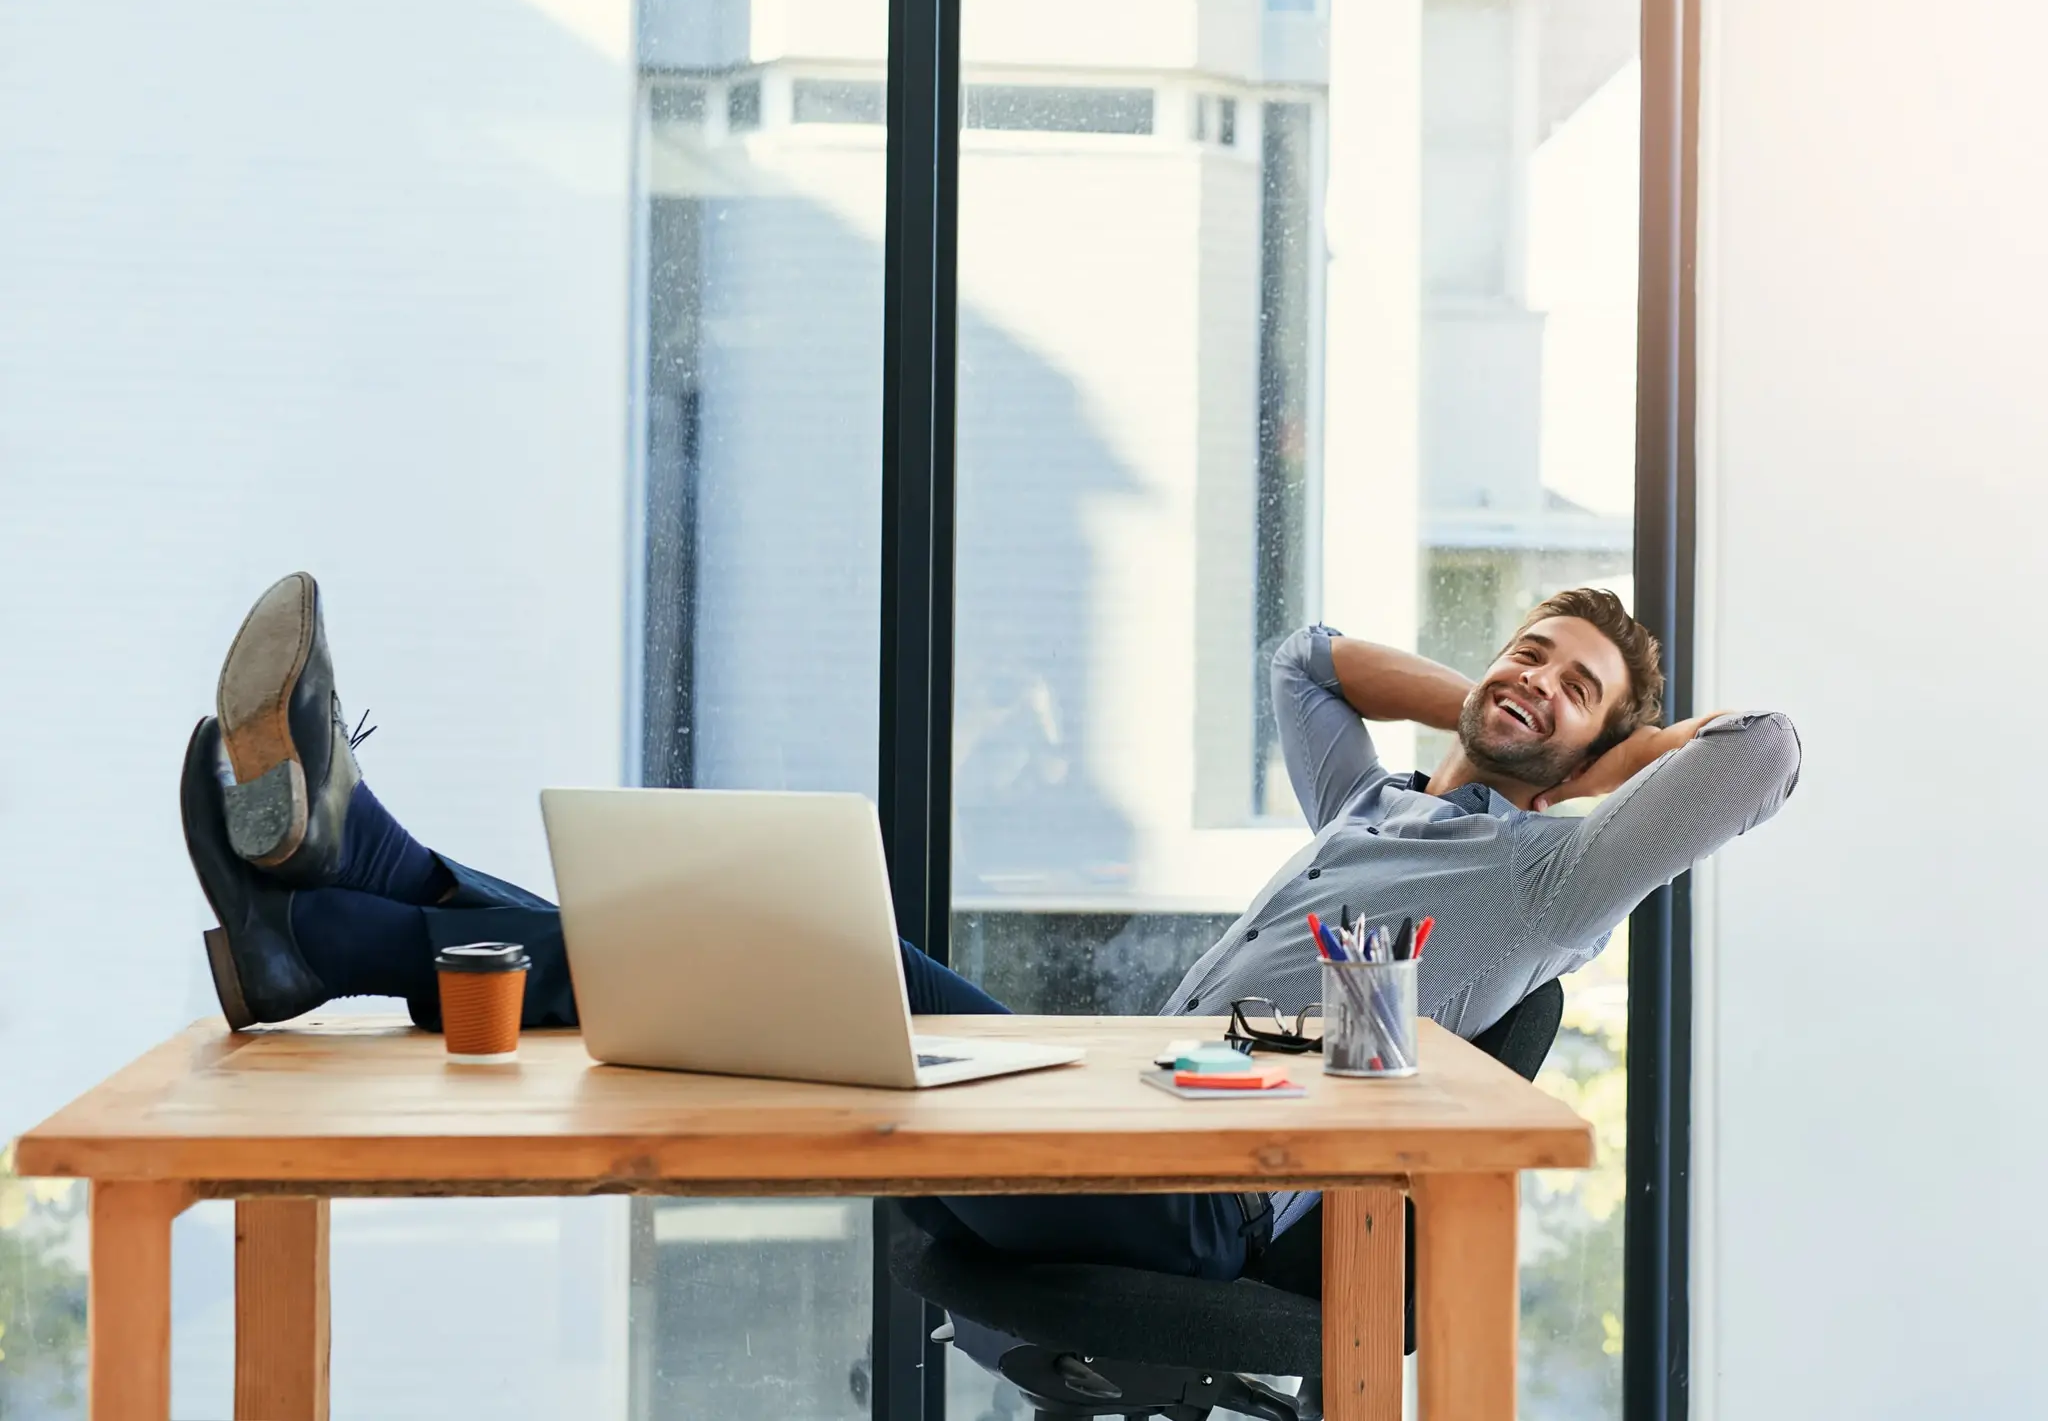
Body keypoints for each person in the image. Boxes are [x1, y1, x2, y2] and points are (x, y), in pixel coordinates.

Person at [183, 572, 1800, 1291]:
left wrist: (1597, 759)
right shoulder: (1369, 812)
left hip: (1193, 1197)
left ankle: (345, 899)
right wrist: (1495, 703)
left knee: (822, 959)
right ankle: (339, 908)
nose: (1537, 679)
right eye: (1530, 648)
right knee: (764, 929)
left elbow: (1768, 754)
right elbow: (1302, 658)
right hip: (1120, 1108)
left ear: (1599, 751)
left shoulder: (1544, 884)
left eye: (1575, 685)